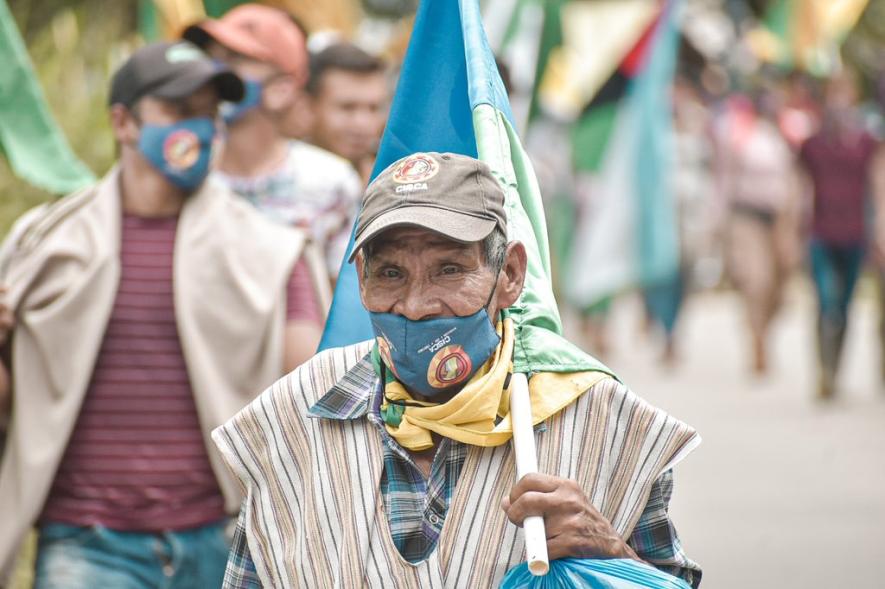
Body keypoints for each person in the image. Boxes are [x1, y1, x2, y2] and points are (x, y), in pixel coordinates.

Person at [214, 152, 703, 587]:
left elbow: (666, 580)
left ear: (510, 275)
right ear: (361, 280)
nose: (416, 305)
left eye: (449, 269)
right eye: (390, 274)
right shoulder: (290, 416)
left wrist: (611, 552)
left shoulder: (605, 421)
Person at [0, 41, 326, 587]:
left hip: (226, 541)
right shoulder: (44, 246)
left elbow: (309, 396)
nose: (199, 130)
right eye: (178, 111)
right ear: (123, 123)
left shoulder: (270, 253)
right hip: (87, 543)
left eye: (208, 113)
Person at [183, 4, 363, 284]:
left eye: (234, 59)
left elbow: (342, 300)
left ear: (282, 89)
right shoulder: (183, 172)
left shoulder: (331, 183)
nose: (213, 72)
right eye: (211, 57)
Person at [798, 71, 884, 399]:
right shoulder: (813, 144)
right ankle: (824, 371)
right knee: (825, 299)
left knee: (845, 306)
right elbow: (801, 187)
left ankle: (836, 368)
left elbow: (877, 186)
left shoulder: (866, 143)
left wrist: (879, 230)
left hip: (855, 233)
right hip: (820, 232)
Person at [716, 92, 800, 375]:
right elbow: (725, 179)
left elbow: (795, 180)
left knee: (781, 282)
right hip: (746, 217)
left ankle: (766, 330)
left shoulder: (786, 136)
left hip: (779, 219)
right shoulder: (740, 137)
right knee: (756, 280)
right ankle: (757, 340)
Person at [306, 41, 390, 185]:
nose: (363, 123)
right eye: (347, 107)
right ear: (309, 106)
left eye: (374, 108)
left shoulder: (394, 182)